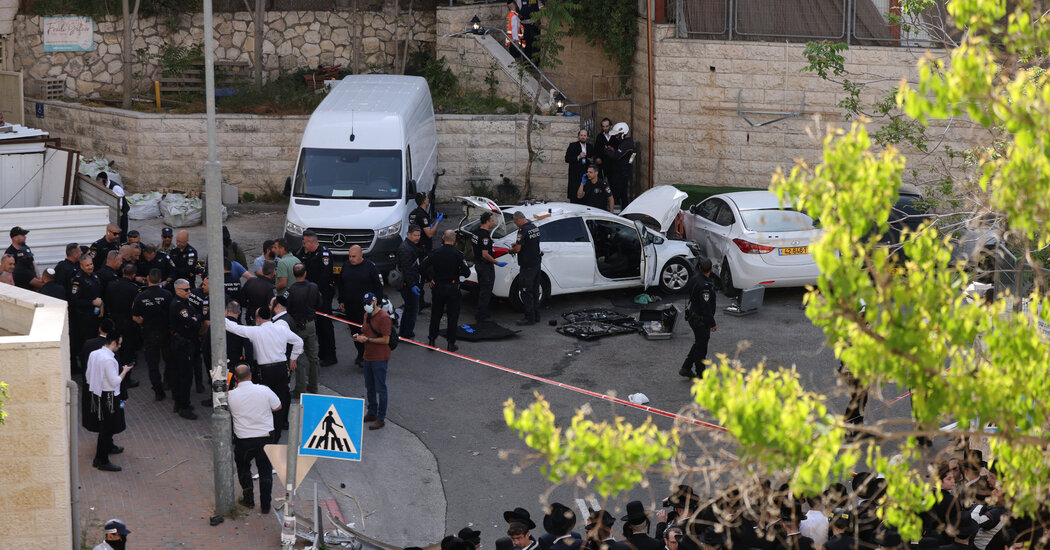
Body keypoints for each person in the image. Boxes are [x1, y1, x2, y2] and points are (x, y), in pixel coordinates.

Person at [224, 307, 303, 443]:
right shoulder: (282, 329)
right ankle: (276, 437)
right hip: (282, 370)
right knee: (279, 402)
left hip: (265, 372)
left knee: (264, 402)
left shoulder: (256, 331)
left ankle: (264, 434)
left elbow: (233, 328)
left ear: (258, 319)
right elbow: (299, 342)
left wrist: (219, 314)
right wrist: (293, 358)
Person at [227, 363, 281, 514]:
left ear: (236, 378)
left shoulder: (230, 395)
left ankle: (248, 500)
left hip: (243, 440)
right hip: (265, 438)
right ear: (250, 375)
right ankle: (265, 505)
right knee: (265, 471)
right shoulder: (264, 390)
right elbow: (278, 407)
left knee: (243, 468)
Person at [84, 330, 133, 472]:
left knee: (105, 426)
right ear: (113, 343)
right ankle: (101, 459)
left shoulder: (94, 354)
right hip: (109, 396)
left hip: (98, 393)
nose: (120, 347)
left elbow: (88, 375)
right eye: (119, 344)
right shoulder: (109, 360)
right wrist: (125, 371)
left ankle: (104, 453)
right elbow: (114, 382)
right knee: (107, 427)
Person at [421, 230, 471, 352]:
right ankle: (450, 343)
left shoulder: (435, 253)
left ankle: (432, 340)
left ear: (443, 238)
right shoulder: (458, 254)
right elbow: (467, 273)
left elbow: (422, 267)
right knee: (452, 316)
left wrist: (430, 279)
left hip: (438, 288)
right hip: (453, 288)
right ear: (454, 240)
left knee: (436, 315)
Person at [338, 245, 384, 367]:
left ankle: (368, 356)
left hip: (365, 308)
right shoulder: (346, 266)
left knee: (367, 331)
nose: (351, 259)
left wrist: (377, 303)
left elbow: (378, 286)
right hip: (350, 306)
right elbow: (341, 284)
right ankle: (360, 353)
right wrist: (341, 300)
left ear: (361, 255)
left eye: (354, 256)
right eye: (349, 256)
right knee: (354, 331)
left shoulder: (370, 267)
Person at [297, 230, 337, 366]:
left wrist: (314, 291)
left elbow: (325, 277)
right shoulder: (307, 254)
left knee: (325, 324)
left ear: (311, 242)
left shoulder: (323, 255)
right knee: (318, 325)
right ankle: (323, 352)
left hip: (322, 294)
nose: (303, 245)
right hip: (313, 294)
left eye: (304, 243)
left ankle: (330, 355)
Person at [352, 292, 392, 430]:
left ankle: (381, 418)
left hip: (380, 358)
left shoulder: (384, 318)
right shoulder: (366, 315)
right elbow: (365, 332)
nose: (366, 306)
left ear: (375, 302)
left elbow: (386, 340)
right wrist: (360, 336)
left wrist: (367, 340)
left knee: (381, 389)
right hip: (368, 356)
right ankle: (372, 412)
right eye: (364, 304)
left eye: (368, 303)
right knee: (370, 387)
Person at [132, 268, 173, 401]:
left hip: (149, 334)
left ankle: (158, 391)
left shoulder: (140, 296)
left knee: (152, 365)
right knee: (169, 360)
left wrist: (143, 322)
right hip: (165, 332)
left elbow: (135, 317)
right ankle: (167, 381)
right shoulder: (167, 295)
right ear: (160, 280)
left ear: (148, 279)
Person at [287, 263, 322, 396]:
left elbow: (287, 308)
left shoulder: (290, 290)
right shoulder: (313, 287)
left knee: (299, 357)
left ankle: (300, 388)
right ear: (305, 273)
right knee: (313, 356)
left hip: (297, 326)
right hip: (311, 323)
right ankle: (313, 386)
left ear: (293, 274)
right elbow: (319, 303)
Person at [104, 263, 143, 385]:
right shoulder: (134, 288)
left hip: (114, 322)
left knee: (113, 350)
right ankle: (126, 378)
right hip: (128, 324)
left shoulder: (111, 285)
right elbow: (136, 308)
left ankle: (111, 375)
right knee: (128, 351)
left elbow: (106, 302)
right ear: (133, 275)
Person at [169, 279, 202, 420]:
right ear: (177, 290)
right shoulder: (178, 306)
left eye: (189, 289)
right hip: (183, 345)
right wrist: (194, 320)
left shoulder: (184, 302)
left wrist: (196, 319)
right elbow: (191, 322)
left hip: (184, 343)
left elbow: (196, 316)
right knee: (185, 377)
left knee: (180, 375)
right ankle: (183, 406)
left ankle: (179, 403)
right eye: (186, 290)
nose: (189, 291)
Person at [680, 258, 717, 378]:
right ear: (710, 270)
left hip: (693, 316)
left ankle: (686, 368)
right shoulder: (705, 286)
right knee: (701, 349)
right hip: (701, 321)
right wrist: (712, 323)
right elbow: (705, 307)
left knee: (699, 344)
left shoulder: (695, 279)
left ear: (700, 268)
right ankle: (701, 375)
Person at [70, 255, 104, 374]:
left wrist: (101, 307)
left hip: (95, 316)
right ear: (81, 266)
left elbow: (98, 294)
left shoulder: (94, 276)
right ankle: (87, 370)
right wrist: (91, 302)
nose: (90, 267)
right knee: (86, 344)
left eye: (91, 264)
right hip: (84, 318)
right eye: (87, 265)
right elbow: (74, 301)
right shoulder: (78, 280)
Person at [472, 212, 507, 323]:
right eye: (492, 221)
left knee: (482, 289)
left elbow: (473, 249)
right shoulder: (485, 236)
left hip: (478, 264)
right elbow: (485, 254)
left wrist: (476, 259)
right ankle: (481, 316)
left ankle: (482, 312)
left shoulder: (475, 232)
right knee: (486, 291)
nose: (493, 223)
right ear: (487, 221)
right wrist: (497, 262)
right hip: (485, 266)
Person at [509, 211, 542, 325]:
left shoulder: (522, 230)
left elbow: (517, 249)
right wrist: (518, 243)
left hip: (527, 265)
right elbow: (529, 242)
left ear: (518, 219)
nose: (516, 224)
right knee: (535, 291)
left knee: (526, 291)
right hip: (536, 264)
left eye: (515, 222)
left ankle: (529, 318)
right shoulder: (534, 227)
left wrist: (511, 250)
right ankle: (536, 316)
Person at [396, 224, 424, 339]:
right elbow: (406, 270)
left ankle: (405, 333)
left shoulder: (410, 245)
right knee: (411, 310)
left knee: (409, 309)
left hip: (410, 283)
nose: (417, 237)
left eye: (419, 235)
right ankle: (407, 334)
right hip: (408, 285)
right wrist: (412, 285)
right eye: (415, 235)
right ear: (408, 234)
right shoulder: (406, 249)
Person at [608, 123, 635, 209]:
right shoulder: (627, 143)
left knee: (620, 195)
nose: (616, 137)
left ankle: (618, 214)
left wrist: (607, 151)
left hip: (622, 173)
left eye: (617, 135)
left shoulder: (627, 143)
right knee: (623, 195)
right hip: (624, 172)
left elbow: (617, 156)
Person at [242, 259, 277, 326]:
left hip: (250, 317)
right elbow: (272, 306)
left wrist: (249, 307)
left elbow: (242, 300)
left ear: (263, 270)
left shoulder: (250, 281)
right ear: (273, 273)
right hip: (264, 321)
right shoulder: (270, 288)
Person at [96, 172, 129, 240]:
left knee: (122, 229)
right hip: (113, 209)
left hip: (121, 211)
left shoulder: (116, 188)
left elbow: (120, 204)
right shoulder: (106, 186)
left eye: (101, 183)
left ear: (105, 181)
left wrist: (115, 212)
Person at [6, 226, 40, 290]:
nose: (25, 237)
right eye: (22, 235)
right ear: (15, 238)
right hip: (21, 288)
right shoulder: (9, 254)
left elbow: (33, 263)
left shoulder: (26, 248)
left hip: (33, 284)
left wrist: (38, 277)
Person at [409, 192, 442, 256]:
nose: (428, 199)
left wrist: (429, 226)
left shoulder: (412, 213)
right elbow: (429, 234)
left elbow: (411, 228)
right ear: (424, 201)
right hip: (423, 248)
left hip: (414, 246)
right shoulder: (423, 216)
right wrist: (437, 221)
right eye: (427, 197)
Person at [564, 129, 592, 203]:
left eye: (584, 135)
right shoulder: (573, 145)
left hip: (586, 175)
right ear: (578, 136)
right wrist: (578, 157)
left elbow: (591, 159)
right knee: (574, 197)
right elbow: (567, 159)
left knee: (585, 198)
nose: (583, 137)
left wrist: (591, 160)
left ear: (587, 137)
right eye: (581, 135)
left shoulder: (590, 147)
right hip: (575, 176)